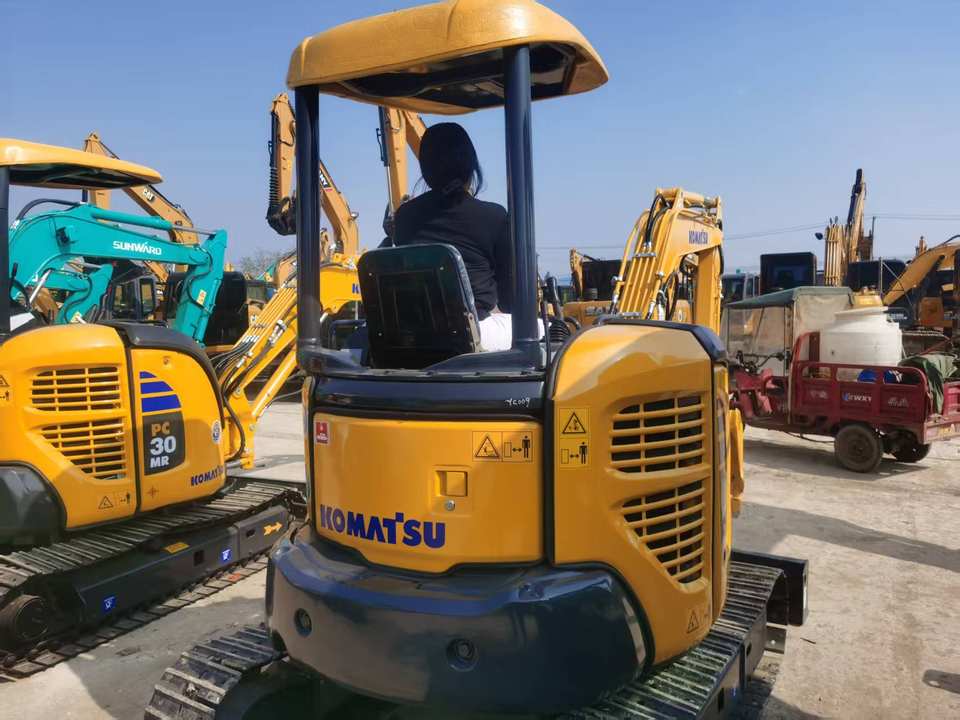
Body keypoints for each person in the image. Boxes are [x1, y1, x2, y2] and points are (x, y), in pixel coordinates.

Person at [390, 122, 516, 351]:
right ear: (471, 165)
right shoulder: (494, 216)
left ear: (425, 169)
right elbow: (510, 300)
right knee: (543, 329)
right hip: (472, 332)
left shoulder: (404, 217)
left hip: (415, 334)